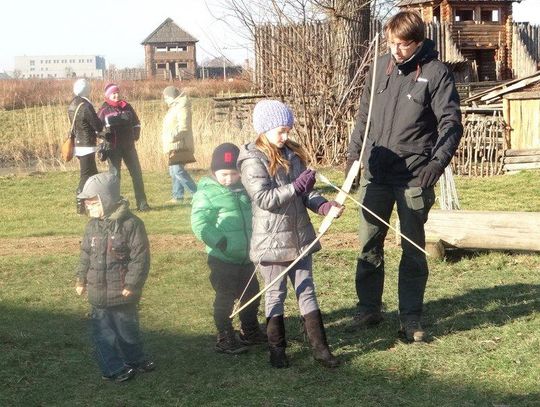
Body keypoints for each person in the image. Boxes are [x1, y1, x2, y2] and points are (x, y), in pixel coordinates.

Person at [345, 11, 463, 342]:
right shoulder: (380, 66)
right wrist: (354, 158)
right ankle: (368, 308)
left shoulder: (436, 73)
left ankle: (410, 317)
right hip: (376, 173)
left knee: (412, 249)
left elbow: (451, 124)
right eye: (392, 43)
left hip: (413, 177)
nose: (397, 50)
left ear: (419, 41)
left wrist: (435, 165)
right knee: (369, 244)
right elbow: (363, 116)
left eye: (404, 45)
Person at [237, 99, 343, 369]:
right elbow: (265, 198)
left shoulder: (293, 154)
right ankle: (277, 351)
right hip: (271, 242)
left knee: (307, 291)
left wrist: (323, 205)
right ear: (264, 129)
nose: (285, 136)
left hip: (300, 237)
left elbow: (305, 192)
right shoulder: (252, 159)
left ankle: (321, 349)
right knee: (276, 295)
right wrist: (296, 187)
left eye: (288, 130)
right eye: (280, 131)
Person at [75, 173, 154, 382]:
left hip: (122, 292)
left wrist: (132, 284)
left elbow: (140, 258)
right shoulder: (92, 226)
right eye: (87, 204)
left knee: (128, 330)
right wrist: (80, 278)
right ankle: (112, 368)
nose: (88, 208)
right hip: (97, 293)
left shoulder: (132, 225)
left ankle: (135, 359)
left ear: (106, 199)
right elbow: (85, 254)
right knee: (103, 335)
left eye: (92, 203)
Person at [191, 143, 267, 355]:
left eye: (234, 174)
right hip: (222, 257)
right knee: (225, 297)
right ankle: (225, 334)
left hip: (247, 257)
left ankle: (250, 330)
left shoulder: (245, 191)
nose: (229, 179)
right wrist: (219, 241)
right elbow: (200, 223)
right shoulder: (206, 194)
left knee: (251, 294)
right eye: (223, 174)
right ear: (214, 172)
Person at [97, 83, 150, 211]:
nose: (116, 95)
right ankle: (115, 205)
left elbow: (136, 123)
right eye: (113, 93)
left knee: (137, 174)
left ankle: (142, 204)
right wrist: (105, 135)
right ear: (108, 95)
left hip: (129, 147)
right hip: (113, 148)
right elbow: (97, 129)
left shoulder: (127, 107)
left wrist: (135, 135)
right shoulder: (103, 110)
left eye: (117, 93)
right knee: (115, 177)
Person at [68, 78, 103, 214]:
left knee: (93, 174)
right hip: (87, 143)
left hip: (78, 143)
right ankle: (80, 204)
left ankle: (94, 203)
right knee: (86, 175)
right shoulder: (85, 106)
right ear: (86, 90)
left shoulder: (72, 104)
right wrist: (101, 130)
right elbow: (97, 125)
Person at [162, 86, 197, 203]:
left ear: (172, 97)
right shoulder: (174, 107)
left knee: (177, 171)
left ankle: (197, 194)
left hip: (180, 144)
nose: (165, 100)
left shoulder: (182, 106)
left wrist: (172, 137)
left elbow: (184, 127)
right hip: (174, 144)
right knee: (174, 171)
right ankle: (178, 196)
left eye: (166, 97)